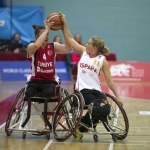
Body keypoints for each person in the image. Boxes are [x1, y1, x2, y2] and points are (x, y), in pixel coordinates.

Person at [60, 13, 123, 138]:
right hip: (82, 91)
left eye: (88, 43)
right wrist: (63, 24)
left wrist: (118, 96)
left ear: (94, 48)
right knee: (95, 107)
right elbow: (70, 39)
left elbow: (110, 81)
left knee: (105, 107)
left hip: (96, 91)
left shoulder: (102, 60)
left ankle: (81, 127)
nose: (86, 45)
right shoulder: (83, 52)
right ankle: (84, 126)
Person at [25, 20, 72, 98]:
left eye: (48, 34)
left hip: (50, 81)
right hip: (35, 80)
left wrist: (64, 29)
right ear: (37, 36)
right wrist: (47, 29)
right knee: (28, 93)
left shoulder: (53, 46)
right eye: (44, 34)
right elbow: (37, 45)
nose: (46, 36)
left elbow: (69, 48)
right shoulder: (31, 46)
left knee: (48, 93)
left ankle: (42, 104)